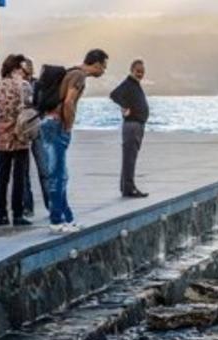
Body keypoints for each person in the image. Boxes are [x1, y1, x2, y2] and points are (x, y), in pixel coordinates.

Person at [41, 48, 108, 234]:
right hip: (57, 125)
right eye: (104, 67)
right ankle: (56, 221)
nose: (104, 71)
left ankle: (67, 219)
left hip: (48, 123)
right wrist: (68, 126)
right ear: (96, 64)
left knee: (61, 175)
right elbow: (69, 101)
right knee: (57, 176)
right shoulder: (79, 76)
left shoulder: (71, 72)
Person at [0, 53, 33, 226]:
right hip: (20, 134)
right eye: (22, 68)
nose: (25, 71)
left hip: (1, 134)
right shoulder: (24, 85)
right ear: (16, 68)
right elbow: (29, 108)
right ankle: (18, 214)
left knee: (2, 175)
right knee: (19, 176)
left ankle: (1, 214)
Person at [110, 59, 150, 198]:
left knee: (130, 158)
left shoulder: (134, 84)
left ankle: (126, 187)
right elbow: (114, 95)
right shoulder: (128, 83)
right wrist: (125, 105)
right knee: (129, 159)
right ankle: (129, 188)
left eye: (142, 72)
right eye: (138, 71)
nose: (140, 74)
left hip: (136, 125)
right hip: (132, 125)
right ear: (131, 70)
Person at [20, 57, 50, 216]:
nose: (27, 71)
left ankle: (50, 204)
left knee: (44, 168)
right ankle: (27, 206)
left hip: (37, 128)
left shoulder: (39, 84)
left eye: (29, 68)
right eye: (24, 68)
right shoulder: (15, 85)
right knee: (23, 171)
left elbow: (44, 104)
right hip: (22, 131)